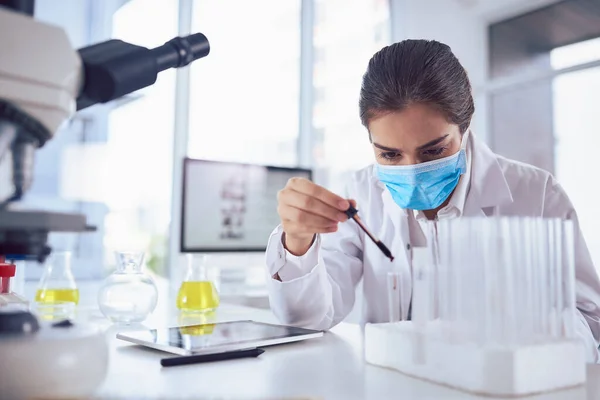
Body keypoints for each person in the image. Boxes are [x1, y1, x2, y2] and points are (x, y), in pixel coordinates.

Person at [265, 39, 600, 362]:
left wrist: (522, 336)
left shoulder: (536, 194)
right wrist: (297, 242)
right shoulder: (361, 193)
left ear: (464, 125)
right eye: (390, 154)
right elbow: (308, 319)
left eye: (434, 150)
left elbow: (590, 322)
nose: (412, 170)